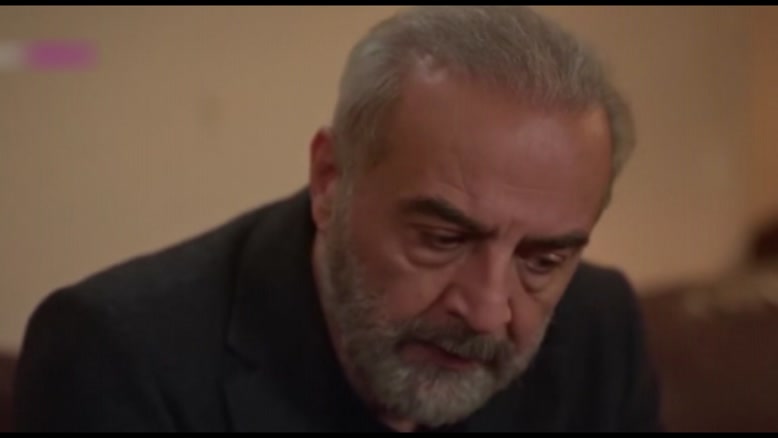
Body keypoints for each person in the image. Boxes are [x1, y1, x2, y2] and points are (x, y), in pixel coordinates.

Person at [13, 6, 662, 432]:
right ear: (330, 180)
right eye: (442, 239)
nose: (489, 311)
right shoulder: (116, 358)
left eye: (542, 261)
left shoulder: (600, 329)